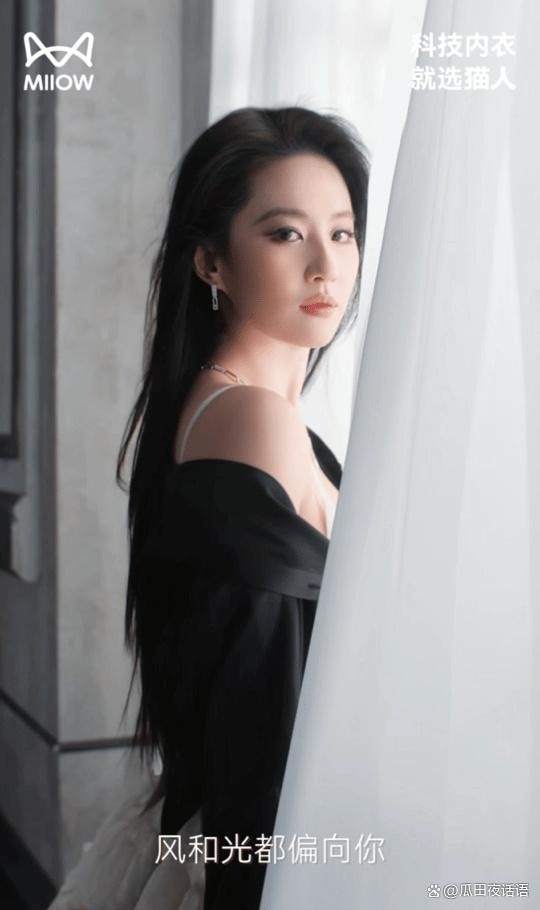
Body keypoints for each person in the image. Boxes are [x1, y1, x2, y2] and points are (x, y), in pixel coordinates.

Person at [47, 105, 369, 910]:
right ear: (211, 262)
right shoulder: (252, 418)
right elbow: (266, 710)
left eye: (342, 233)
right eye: (286, 233)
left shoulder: (244, 409)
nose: (325, 267)